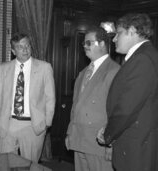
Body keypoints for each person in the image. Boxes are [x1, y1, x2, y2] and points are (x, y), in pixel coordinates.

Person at [0, 33, 56, 162]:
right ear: (13, 51)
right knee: (6, 165)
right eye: (20, 47)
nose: (25, 49)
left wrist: (47, 123)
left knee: (30, 165)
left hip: (33, 126)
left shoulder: (44, 67)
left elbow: (50, 97)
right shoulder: (4, 68)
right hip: (7, 125)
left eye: (27, 45)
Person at [97, 13, 158, 171]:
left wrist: (108, 134)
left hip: (136, 148)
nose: (115, 39)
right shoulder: (143, 56)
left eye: (118, 33)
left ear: (132, 31)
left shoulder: (142, 59)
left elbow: (127, 108)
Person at [65, 26, 120, 171]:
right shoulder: (83, 73)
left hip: (98, 144)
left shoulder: (114, 71)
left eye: (89, 43)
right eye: (84, 43)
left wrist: (111, 143)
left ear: (102, 44)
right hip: (79, 139)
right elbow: (75, 106)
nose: (85, 46)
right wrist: (70, 133)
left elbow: (118, 112)